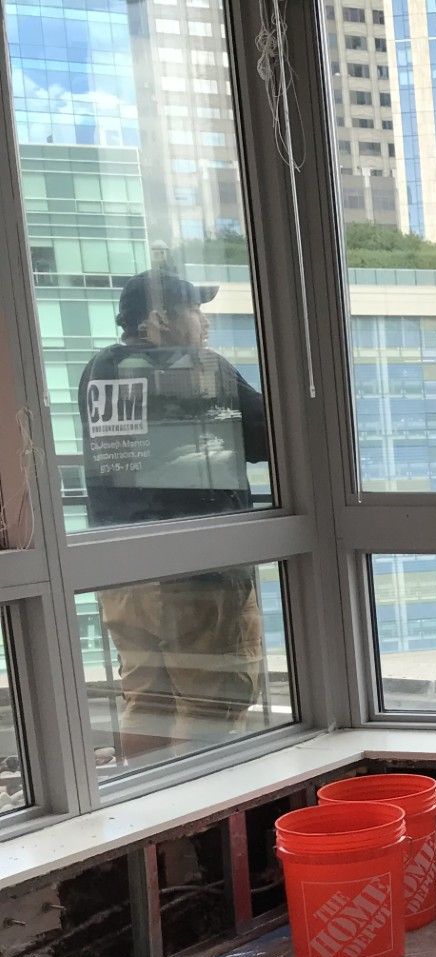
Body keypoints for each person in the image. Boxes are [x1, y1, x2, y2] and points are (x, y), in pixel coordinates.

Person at [78, 269, 270, 757]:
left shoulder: (99, 371)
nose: (203, 324)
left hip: (122, 571)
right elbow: (271, 433)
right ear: (160, 319)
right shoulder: (201, 369)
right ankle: (195, 826)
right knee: (213, 702)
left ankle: (149, 818)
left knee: (147, 699)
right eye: (194, 310)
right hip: (196, 575)